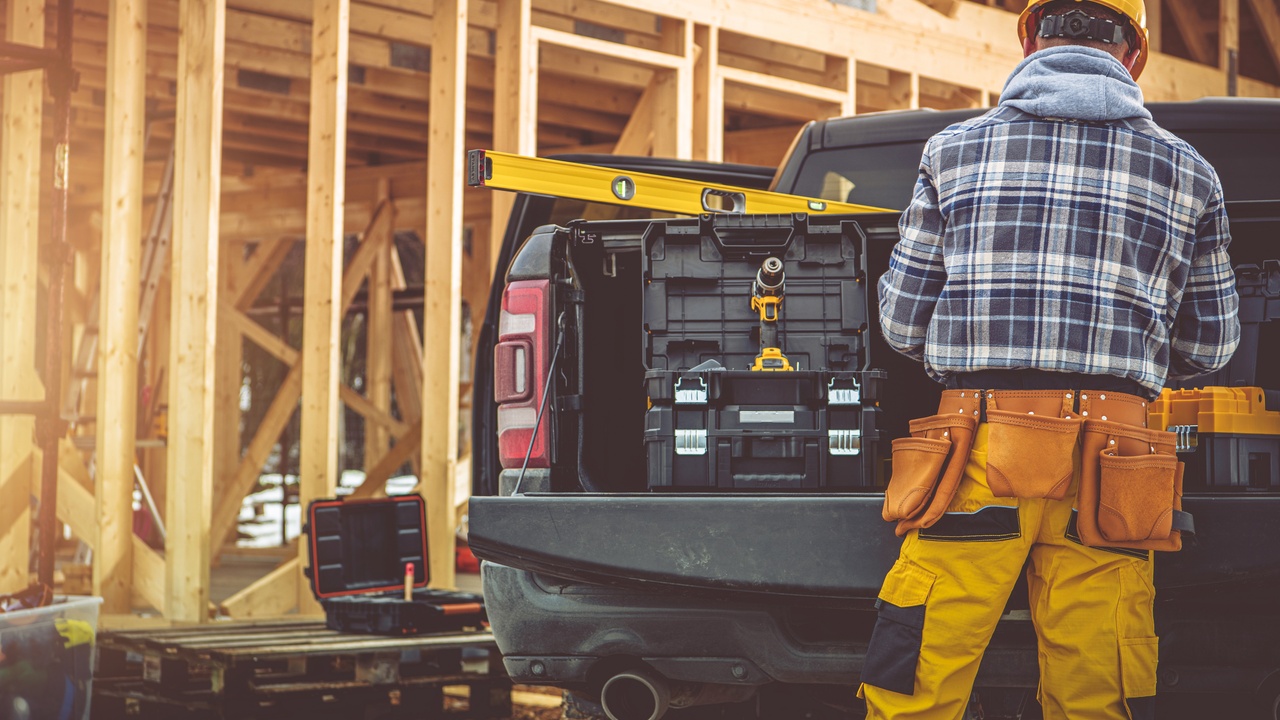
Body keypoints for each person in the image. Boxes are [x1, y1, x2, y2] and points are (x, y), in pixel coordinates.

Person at [863, 1, 1240, 718]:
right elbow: (1212, 345)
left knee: (916, 683)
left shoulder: (953, 151)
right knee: (1096, 689)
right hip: (1117, 468)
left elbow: (901, 321)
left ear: (1030, 37)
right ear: (1135, 54)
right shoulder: (1192, 174)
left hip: (974, 452)